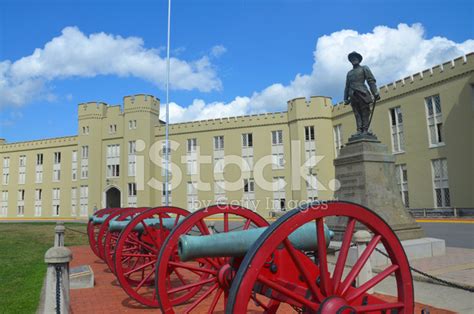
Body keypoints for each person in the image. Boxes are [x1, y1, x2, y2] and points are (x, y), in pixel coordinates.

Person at [344, 51, 380, 134]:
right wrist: (345, 98)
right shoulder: (349, 73)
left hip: (362, 93)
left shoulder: (364, 68)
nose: (354, 59)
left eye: (355, 57)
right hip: (353, 95)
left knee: (365, 112)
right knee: (357, 113)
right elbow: (347, 86)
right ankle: (359, 130)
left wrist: (375, 92)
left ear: (359, 59)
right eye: (352, 58)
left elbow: (370, 80)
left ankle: (365, 129)